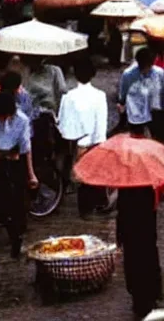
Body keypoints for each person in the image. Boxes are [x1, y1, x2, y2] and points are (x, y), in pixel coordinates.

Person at [0, 92, 37, 257]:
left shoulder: (21, 120)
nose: (4, 121)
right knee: (1, 204)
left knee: (16, 201)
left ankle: (16, 236)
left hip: (13, 161)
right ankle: (9, 226)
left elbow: (26, 148)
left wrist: (31, 175)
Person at [57, 59, 108, 216]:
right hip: (95, 140)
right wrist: (100, 140)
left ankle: (85, 207)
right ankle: (96, 204)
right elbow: (102, 121)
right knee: (95, 173)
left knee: (82, 174)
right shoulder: (99, 96)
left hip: (77, 141)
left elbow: (63, 121)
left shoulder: (69, 97)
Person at [117, 181, 162, 317]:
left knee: (134, 255)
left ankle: (142, 298)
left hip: (131, 213)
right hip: (144, 210)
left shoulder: (124, 181)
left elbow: (122, 210)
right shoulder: (147, 177)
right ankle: (151, 294)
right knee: (147, 251)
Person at [118, 47, 164, 146]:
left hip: (155, 113)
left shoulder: (160, 74)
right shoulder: (128, 74)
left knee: (157, 142)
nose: (145, 69)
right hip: (135, 113)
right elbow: (123, 92)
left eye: (148, 66)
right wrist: (122, 104)